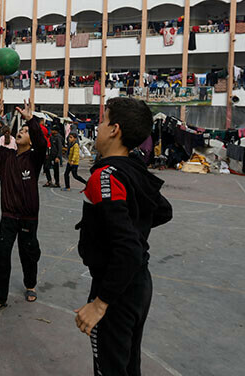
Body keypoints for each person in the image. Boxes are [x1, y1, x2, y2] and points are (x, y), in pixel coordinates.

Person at [73, 97, 173, 376]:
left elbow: (128, 249)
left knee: (111, 368)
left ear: (115, 129)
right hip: (139, 284)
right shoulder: (133, 169)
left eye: (103, 120)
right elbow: (163, 211)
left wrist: (100, 303)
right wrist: (136, 223)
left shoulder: (105, 177)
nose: (98, 127)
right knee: (129, 366)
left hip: (116, 289)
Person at [0, 99, 47, 316]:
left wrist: (31, 119)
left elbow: (42, 143)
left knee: (28, 253)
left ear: (31, 140)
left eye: (26, 131)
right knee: (2, 256)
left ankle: (30, 284)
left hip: (29, 218)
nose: (22, 132)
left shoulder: (35, 158)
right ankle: (1, 297)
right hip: (8, 217)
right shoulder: (5, 157)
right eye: (22, 129)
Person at [43, 123, 64, 188]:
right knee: (46, 167)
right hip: (51, 154)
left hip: (56, 156)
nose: (51, 131)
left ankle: (57, 183)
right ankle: (49, 181)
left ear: (56, 131)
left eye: (53, 130)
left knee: (56, 170)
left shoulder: (58, 138)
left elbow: (60, 148)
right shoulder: (52, 137)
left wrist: (58, 157)